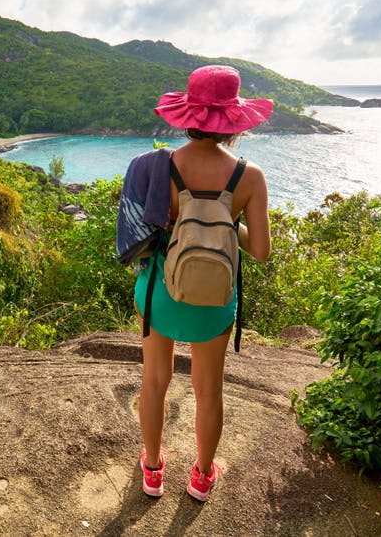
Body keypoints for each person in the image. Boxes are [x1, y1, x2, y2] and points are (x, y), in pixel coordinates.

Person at [115, 64, 273, 501]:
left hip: (160, 293)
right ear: (233, 122)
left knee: (154, 380)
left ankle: (151, 468)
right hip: (215, 300)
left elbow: (143, 229)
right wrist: (227, 221)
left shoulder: (159, 167)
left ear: (187, 115)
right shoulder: (250, 177)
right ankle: (202, 475)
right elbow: (259, 251)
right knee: (209, 390)